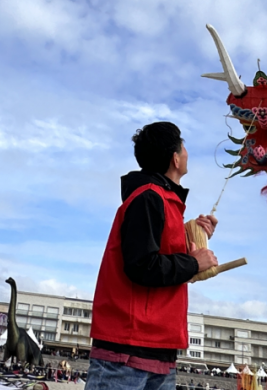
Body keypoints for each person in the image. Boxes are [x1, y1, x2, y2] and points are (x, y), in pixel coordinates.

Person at [88, 121, 218, 390]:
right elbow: (141, 264)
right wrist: (194, 262)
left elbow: (160, 257)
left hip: (157, 350)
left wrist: (193, 235)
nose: (187, 152)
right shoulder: (149, 197)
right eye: (183, 146)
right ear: (175, 158)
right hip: (127, 352)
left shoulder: (162, 200)